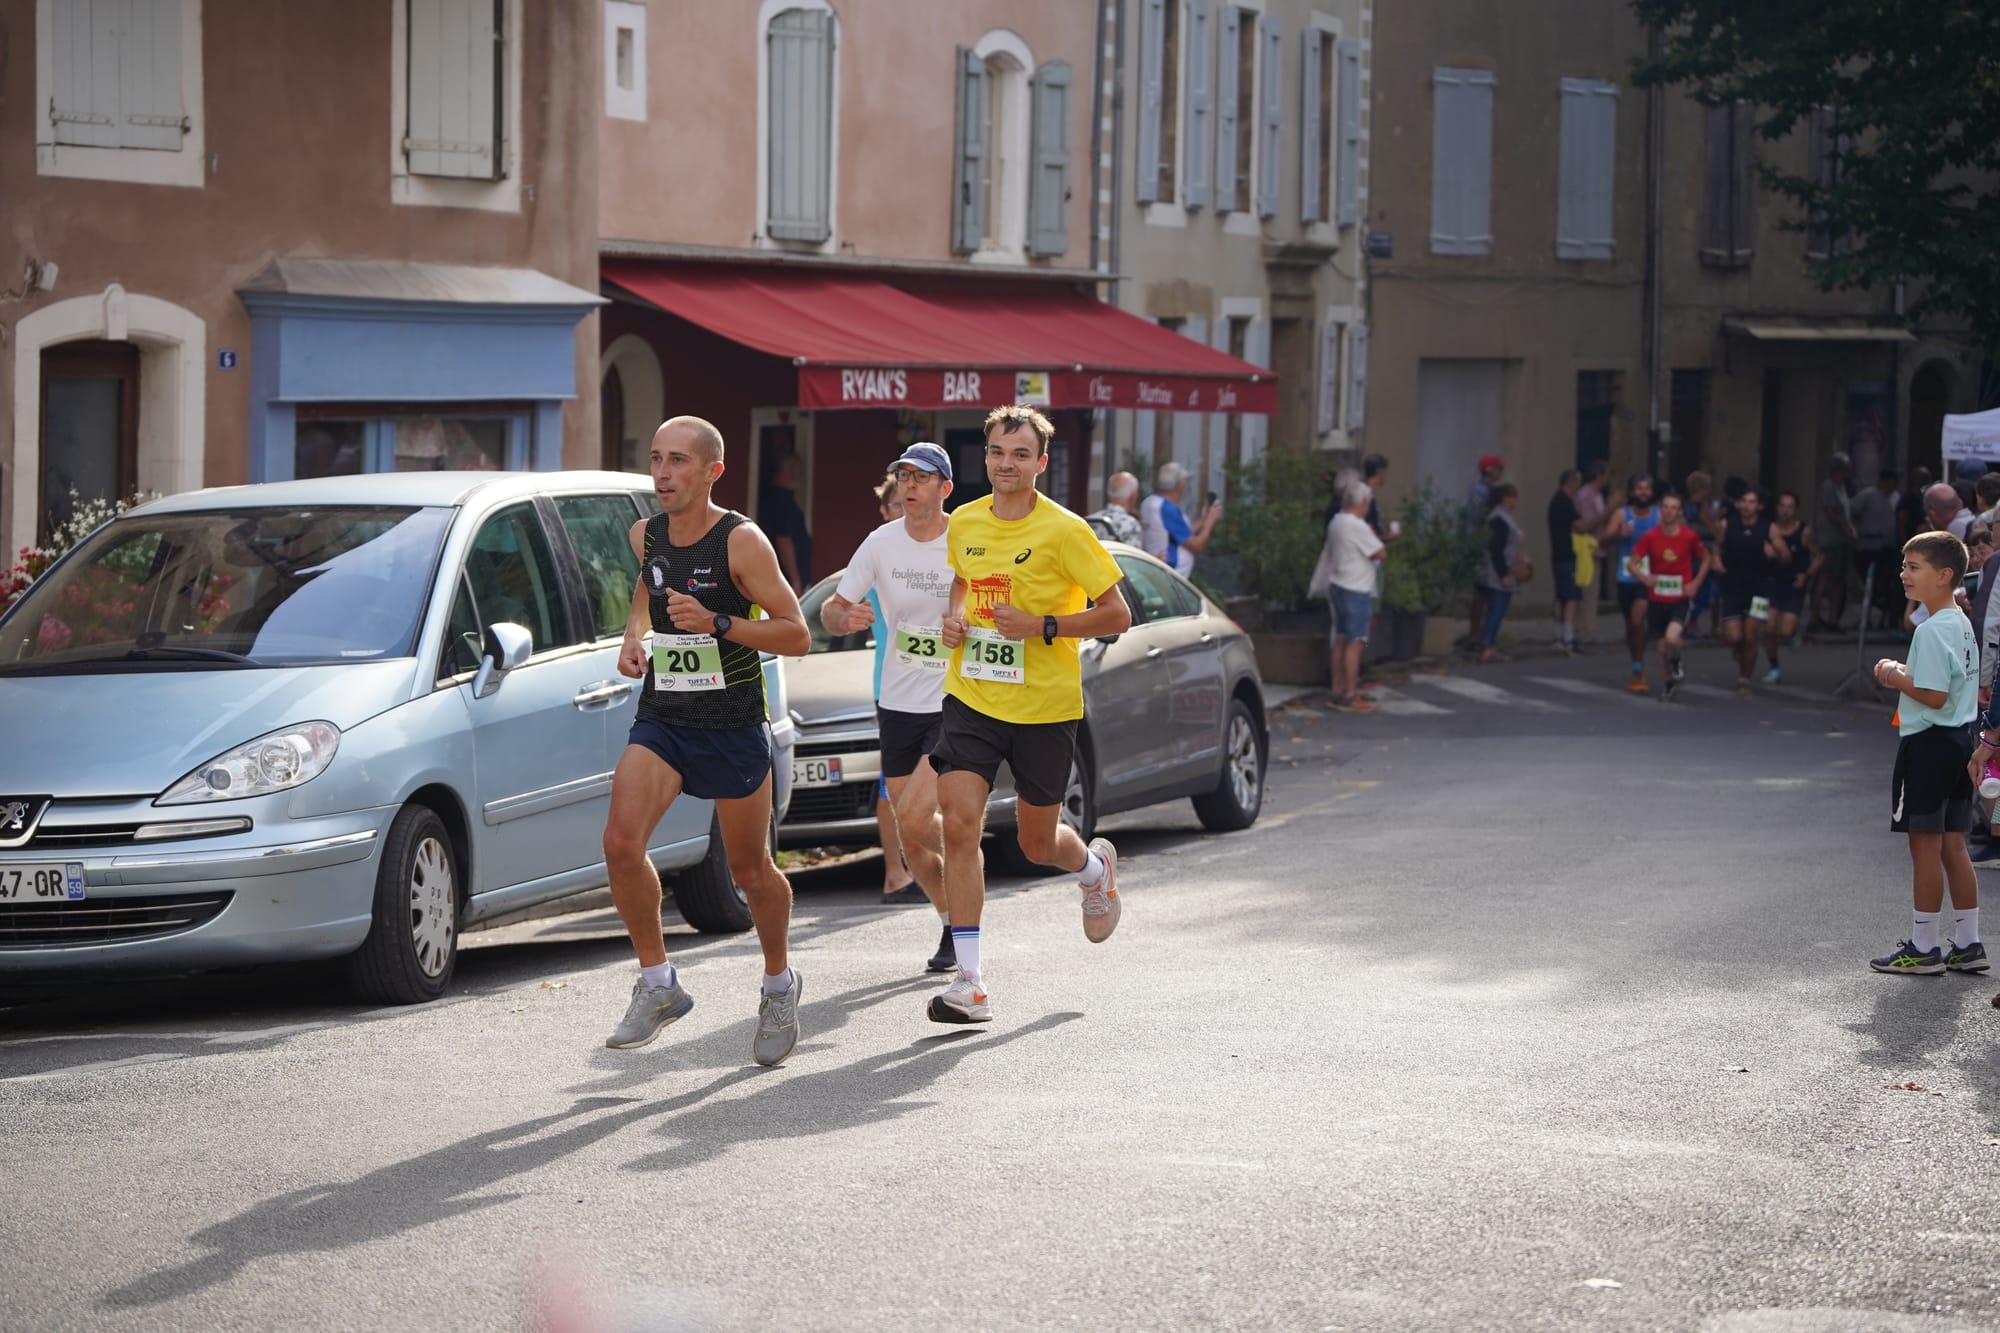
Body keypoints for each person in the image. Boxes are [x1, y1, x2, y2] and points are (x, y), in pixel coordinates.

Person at [600, 416, 812, 1063]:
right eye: (656, 459)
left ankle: (779, 984)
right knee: (620, 842)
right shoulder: (645, 534)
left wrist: (719, 622)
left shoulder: (741, 542)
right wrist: (633, 634)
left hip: (732, 722)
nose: (662, 474)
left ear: (712, 471)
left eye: (678, 461)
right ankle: (658, 983)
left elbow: (796, 633)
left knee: (750, 870)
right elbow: (649, 582)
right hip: (665, 715)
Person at [931, 405, 1133, 1024]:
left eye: (1020, 455)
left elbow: (1117, 614)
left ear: (1041, 463)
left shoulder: (1067, 531)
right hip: (972, 696)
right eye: (997, 452)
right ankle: (970, 983)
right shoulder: (965, 521)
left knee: (1036, 842)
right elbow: (962, 582)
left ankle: (1094, 869)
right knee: (958, 826)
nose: (1006, 464)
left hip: (1044, 707)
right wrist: (955, 618)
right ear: (985, 456)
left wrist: (1042, 625)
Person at [823, 443, 959, 970]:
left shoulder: (964, 540)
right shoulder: (880, 542)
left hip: (954, 698)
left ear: (945, 488)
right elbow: (833, 609)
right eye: (903, 476)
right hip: (897, 700)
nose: (909, 484)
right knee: (910, 831)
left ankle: (966, 857)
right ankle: (952, 921)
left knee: (915, 813)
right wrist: (845, 617)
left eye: (921, 477)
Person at [1870, 531, 1983, 976]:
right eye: (1904, 566)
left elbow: (1933, 696)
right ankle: (1969, 943)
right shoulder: (1960, 623)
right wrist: (1906, 672)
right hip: (1959, 741)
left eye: (1914, 567)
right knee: (1954, 844)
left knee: (1925, 845)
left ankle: (1923, 947)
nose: (1904, 575)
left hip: (1929, 744)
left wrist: (1893, 675)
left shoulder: (1931, 630)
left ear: (1944, 575)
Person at [864, 475, 921, 905]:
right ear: (884, 512)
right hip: (893, 686)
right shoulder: (877, 556)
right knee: (893, 784)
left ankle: (922, 866)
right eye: (896, 505)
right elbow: (842, 606)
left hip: (937, 685)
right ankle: (895, 873)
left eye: (909, 503)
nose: (904, 511)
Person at [1630, 492, 1712, 701]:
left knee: (1672, 638)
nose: (1668, 511)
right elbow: (1632, 563)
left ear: (1680, 512)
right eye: (1665, 507)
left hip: (1680, 598)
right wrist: (1644, 578)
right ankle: (1668, 683)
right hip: (1657, 599)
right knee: (1660, 649)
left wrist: (1695, 583)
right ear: (1661, 510)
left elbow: (1706, 558)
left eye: (1673, 507)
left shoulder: (1689, 537)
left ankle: (1676, 660)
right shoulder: (1650, 536)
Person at [1321, 481, 1386, 710]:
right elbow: (1380, 552)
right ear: (1365, 502)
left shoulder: (1336, 521)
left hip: (1338, 584)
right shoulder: (1358, 526)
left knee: (1340, 639)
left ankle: (1337, 689)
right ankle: (1350, 693)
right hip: (1356, 588)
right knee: (1356, 642)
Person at [1599, 474, 1660, 693]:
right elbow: (1603, 541)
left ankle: (1639, 668)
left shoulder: (1659, 515)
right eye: (1639, 488)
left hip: (1649, 577)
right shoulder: (1621, 514)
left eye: (1647, 488)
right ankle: (1636, 663)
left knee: (1637, 620)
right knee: (1631, 625)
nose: (1643, 492)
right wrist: (1618, 533)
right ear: (1632, 492)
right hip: (1626, 577)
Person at [1713, 487, 1775, 694]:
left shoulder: (1768, 528)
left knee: (1750, 636)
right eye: (1744, 501)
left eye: (1752, 502)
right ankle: (1738, 649)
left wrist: (1773, 552)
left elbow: (1785, 556)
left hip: (1760, 590)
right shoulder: (1727, 524)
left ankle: (1744, 679)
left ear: (1759, 506)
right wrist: (1716, 559)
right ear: (1739, 504)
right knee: (1733, 637)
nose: (1747, 506)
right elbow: (1717, 546)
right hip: (1733, 587)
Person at [1762, 491, 1821, 686]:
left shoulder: (1804, 531)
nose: (1785, 510)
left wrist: (1806, 575)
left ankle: (1792, 636)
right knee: (1768, 629)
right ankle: (1774, 667)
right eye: (1782, 506)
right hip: (1772, 584)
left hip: (1794, 585)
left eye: (1790, 506)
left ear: (1795, 510)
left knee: (1785, 631)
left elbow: (1819, 556)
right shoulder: (1770, 530)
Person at [1139, 462, 1220, 577]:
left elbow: (1179, 534)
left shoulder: (1150, 502)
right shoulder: (1167, 509)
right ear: (1180, 485)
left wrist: (1203, 520)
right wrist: (1210, 522)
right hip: (1170, 574)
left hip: (1158, 571)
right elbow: (1197, 546)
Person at [1475, 484, 1524, 665]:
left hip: (1495, 570)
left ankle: (1489, 645)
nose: (1516, 501)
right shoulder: (1499, 519)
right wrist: (1504, 574)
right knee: (1496, 610)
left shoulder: (1499, 517)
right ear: (1506, 499)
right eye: (1514, 497)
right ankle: (1487, 648)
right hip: (1496, 573)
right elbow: (1496, 548)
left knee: (1495, 610)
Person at [1547, 469, 1592, 654]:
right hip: (1568, 555)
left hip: (1558, 555)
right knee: (1571, 597)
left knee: (1560, 597)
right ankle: (1568, 638)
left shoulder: (1555, 501)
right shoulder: (1565, 503)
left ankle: (1558, 636)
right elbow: (1580, 526)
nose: (1579, 487)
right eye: (1578, 483)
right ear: (1571, 483)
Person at [1851, 470, 1902, 628]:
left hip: (1887, 546)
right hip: (1869, 545)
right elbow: (1853, 511)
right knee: (1869, 582)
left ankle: (1882, 617)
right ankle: (1866, 617)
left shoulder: (1895, 497)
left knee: (1885, 582)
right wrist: (1857, 531)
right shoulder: (1868, 495)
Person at [1812, 452, 1856, 632]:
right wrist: (1847, 531)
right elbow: (1832, 513)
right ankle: (1818, 618)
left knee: (1836, 580)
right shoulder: (1829, 487)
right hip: (1830, 540)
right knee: (1827, 579)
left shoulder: (1841, 488)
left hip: (1838, 541)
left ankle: (1832, 618)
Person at [1465, 454, 1506, 649]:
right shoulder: (1480, 491)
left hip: (1487, 543)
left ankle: (1481, 634)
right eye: (1499, 468)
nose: (1501, 472)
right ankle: (1475, 636)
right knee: (1481, 592)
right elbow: (1478, 517)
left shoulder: (1490, 490)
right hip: (1480, 545)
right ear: (1489, 470)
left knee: (1485, 591)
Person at [759, 450, 813, 595]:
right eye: (798, 470)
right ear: (790, 471)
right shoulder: (782, 502)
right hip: (783, 583)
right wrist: (795, 581)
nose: (799, 475)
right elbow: (784, 542)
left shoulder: (773, 497)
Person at [1573, 461, 1613, 647]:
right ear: (1599, 475)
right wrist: (1610, 509)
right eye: (1607, 474)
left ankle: (1589, 629)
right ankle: (1582, 631)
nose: (1609, 479)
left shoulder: (1597, 495)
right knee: (1586, 592)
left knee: (1592, 593)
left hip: (1597, 548)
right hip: (1586, 550)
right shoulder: (1586, 495)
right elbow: (1588, 524)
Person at [1085, 470, 1144, 546]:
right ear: (1133, 496)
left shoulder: (1087, 521)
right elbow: (1131, 553)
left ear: (1108, 493)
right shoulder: (1132, 525)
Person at [1897, 466, 1933, 545]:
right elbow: (1902, 522)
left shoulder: (1928, 497)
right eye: (1924, 479)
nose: (1927, 482)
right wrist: (1904, 543)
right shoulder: (1907, 498)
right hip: (1911, 539)